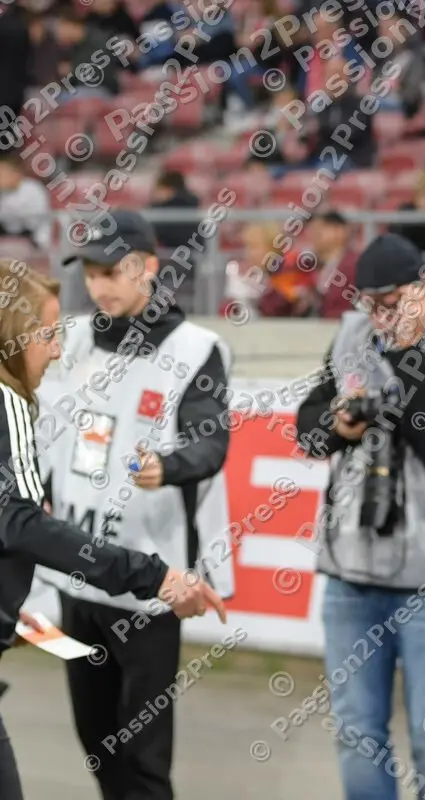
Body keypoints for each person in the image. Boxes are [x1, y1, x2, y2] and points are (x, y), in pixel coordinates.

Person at [0, 258, 226, 800]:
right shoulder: (8, 399)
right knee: (98, 742)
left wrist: (170, 467)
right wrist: (154, 576)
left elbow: (210, 442)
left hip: (126, 587)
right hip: (110, 577)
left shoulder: (194, 348)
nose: (58, 349)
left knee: (138, 757)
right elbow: (18, 522)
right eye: (47, 335)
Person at [295, 233, 425, 798]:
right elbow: (307, 429)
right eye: (370, 304)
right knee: (357, 737)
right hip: (350, 575)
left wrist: (407, 353)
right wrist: (337, 423)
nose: (379, 317)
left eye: (391, 302)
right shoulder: (351, 336)